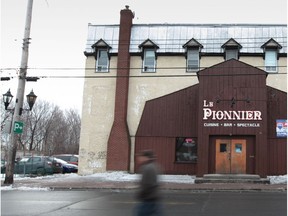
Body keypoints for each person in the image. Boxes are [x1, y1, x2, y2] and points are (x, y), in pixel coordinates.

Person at [134, 150, 163, 216]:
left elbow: (147, 185)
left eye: (141, 157)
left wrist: (140, 194)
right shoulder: (154, 166)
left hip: (148, 199)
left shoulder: (147, 168)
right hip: (153, 198)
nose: (139, 159)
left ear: (146, 157)